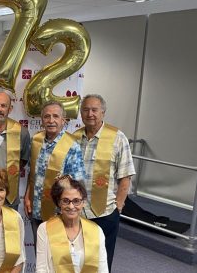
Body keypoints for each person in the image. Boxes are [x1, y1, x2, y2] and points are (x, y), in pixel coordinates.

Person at [74, 94, 136, 271]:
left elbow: (125, 176)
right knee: (77, 259)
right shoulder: (74, 138)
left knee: (102, 261)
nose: (90, 114)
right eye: (85, 110)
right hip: (77, 211)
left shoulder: (117, 137)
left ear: (103, 112)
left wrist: (119, 205)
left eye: (95, 110)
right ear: (80, 113)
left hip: (105, 211)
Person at [24, 101, 85, 245]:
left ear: (63, 120)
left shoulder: (71, 145)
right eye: (47, 116)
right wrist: (27, 197)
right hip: (36, 209)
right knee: (40, 253)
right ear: (42, 120)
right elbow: (32, 174)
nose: (51, 121)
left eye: (56, 116)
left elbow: (77, 185)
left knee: (57, 257)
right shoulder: (36, 140)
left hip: (58, 213)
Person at [36, 175, 108, 273]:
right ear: (59, 203)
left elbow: (103, 270)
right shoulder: (44, 229)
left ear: (83, 203)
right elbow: (41, 269)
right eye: (65, 201)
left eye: (76, 201)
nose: (71, 206)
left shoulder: (96, 231)